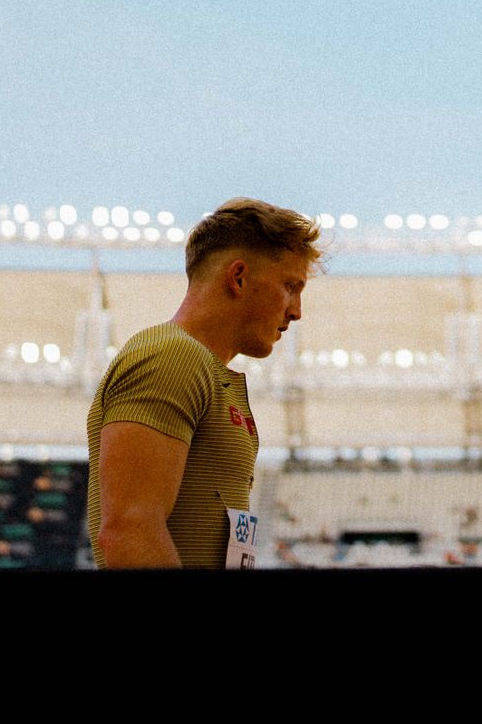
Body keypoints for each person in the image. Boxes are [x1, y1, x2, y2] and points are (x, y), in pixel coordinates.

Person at [87, 198, 318, 568]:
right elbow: (129, 530)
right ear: (238, 277)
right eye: (290, 286)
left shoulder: (201, 368)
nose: (296, 311)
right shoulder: (171, 358)